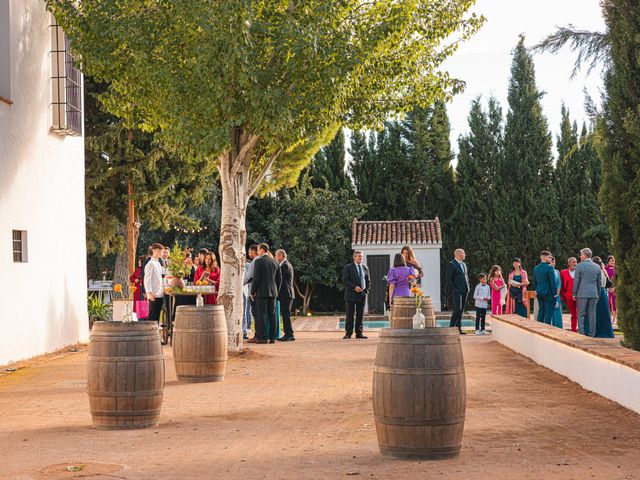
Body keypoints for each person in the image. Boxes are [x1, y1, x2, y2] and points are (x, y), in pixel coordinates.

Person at [250, 243, 282, 344]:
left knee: (262, 315)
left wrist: (252, 291)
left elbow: (256, 279)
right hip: (273, 292)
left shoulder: (258, 262)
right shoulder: (275, 262)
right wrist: (276, 290)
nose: (257, 252)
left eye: (258, 250)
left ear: (262, 250)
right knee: (272, 315)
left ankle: (263, 338)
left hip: (261, 293)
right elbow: (279, 279)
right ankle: (272, 337)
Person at [572, 248, 602, 337]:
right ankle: (592, 334)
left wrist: (574, 293)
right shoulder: (597, 267)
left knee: (581, 314)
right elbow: (599, 282)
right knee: (592, 315)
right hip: (593, 293)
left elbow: (576, 280)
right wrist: (598, 294)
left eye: (581, 255)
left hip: (582, 293)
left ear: (584, 255)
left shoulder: (579, 266)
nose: (580, 256)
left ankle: (581, 333)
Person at [342, 250, 370, 339]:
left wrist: (366, 291)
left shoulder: (365, 268)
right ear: (354, 257)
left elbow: (368, 281)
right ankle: (348, 333)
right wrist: (354, 287)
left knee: (360, 314)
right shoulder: (348, 267)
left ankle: (359, 333)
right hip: (351, 294)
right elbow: (345, 280)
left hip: (361, 294)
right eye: (359, 256)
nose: (360, 258)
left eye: (361, 256)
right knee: (350, 314)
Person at [445, 249, 470, 335]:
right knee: (457, 309)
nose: (465, 255)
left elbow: (465, 276)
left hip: (465, 290)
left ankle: (459, 328)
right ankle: (451, 328)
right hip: (457, 291)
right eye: (463, 253)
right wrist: (454, 289)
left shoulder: (464, 264)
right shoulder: (451, 264)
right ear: (458, 254)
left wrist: (468, 287)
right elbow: (448, 279)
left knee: (461, 310)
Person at [533, 251, 558, 326]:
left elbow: (535, 282)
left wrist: (536, 290)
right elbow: (553, 282)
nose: (550, 259)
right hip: (549, 293)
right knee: (548, 312)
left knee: (541, 311)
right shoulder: (550, 268)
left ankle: (539, 328)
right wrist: (555, 293)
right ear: (543, 257)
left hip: (539, 292)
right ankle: (547, 329)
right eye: (549, 257)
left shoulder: (536, 268)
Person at [275, 249, 295, 342]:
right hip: (286, 293)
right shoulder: (285, 264)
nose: (275, 257)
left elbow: (280, 279)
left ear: (281, 256)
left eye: (276, 255)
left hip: (286, 293)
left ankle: (289, 334)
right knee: (285, 314)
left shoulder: (285, 265)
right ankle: (288, 333)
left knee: (285, 314)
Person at [593, 256, 615, 338]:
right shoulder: (603, 270)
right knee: (605, 314)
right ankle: (607, 332)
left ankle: (598, 332)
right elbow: (609, 284)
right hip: (603, 293)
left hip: (597, 292)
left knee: (597, 313)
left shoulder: (596, 271)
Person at [144, 243, 165, 321]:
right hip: (153, 294)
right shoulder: (150, 264)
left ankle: (155, 332)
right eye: (161, 251)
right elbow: (147, 280)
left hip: (159, 293)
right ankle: (149, 332)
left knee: (157, 316)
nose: (162, 253)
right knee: (152, 316)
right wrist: (149, 292)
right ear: (155, 251)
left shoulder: (158, 263)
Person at [244, 245, 260, 340]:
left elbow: (249, 276)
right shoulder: (259, 260)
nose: (249, 253)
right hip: (259, 291)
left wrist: (241, 283)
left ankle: (257, 335)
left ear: (253, 252)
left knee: (255, 313)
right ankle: (259, 334)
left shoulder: (254, 261)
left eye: (249, 252)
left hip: (253, 291)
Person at [560, 257, 578, 332]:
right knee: (573, 314)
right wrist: (564, 295)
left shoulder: (579, 271)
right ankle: (573, 330)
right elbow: (561, 285)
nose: (575, 263)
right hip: (569, 296)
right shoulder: (563, 272)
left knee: (580, 314)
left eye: (576, 262)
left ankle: (582, 330)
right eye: (573, 262)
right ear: (569, 263)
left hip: (579, 296)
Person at [550, 257, 563, 329]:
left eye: (554, 262)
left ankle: (558, 326)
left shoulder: (557, 271)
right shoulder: (547, 271)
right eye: (552, 262)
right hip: (549, 294)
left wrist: (558, 291)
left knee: (557, 310)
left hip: (557, 295)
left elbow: (559, 282)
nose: (553, 264)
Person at [605, 255, 617, 324]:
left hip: (614, 289)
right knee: (608, 304)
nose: (612, 262)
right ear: (608, 261)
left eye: (613, 261)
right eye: (610, 261)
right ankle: (609, 318)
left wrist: (614, 288)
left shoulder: (616, 269)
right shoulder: (605, 268)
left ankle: (614, 320)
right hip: (607, 289)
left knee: (614, 304)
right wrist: (608, 288)